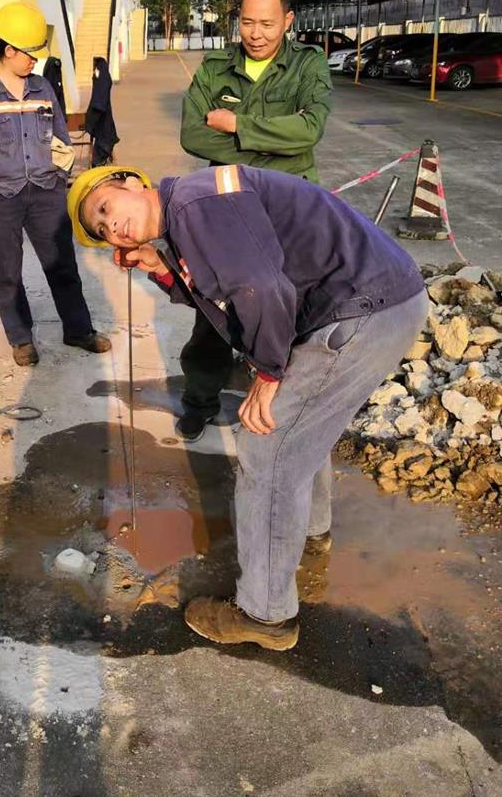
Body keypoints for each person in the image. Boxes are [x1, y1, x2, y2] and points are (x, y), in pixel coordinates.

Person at [68, 164, 427, 651]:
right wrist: (161, 268)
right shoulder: (186, 214)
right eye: (103, 229)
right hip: (382, 299)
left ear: (132, 182)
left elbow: (260, 288)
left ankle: (266, 615)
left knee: (266, 447)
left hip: (361, 310)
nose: (114, 228)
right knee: (302, 428)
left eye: (107, 208)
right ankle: (312, 535)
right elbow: (221, 290)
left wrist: (268, 373)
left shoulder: (195, 202)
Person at [178, 0, 333, 444]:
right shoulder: (215, 68)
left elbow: (310, 130)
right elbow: (193, 135)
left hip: (292, 210)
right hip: (226, 208)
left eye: (267, 23)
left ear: (287, 20)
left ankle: (280, 404)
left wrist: (238, 126)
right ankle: (199, 400)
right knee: (214, 307)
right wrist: (272, 147)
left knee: (294, 306)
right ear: (237, 20)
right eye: (247, 22)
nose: (257, 34)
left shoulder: (309, 65)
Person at [0, 2, 110, 367]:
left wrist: (60, 177)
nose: (35, 61)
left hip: (46, 192)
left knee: (63, 266)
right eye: (29, 54)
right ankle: (21, 338)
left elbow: (59, 134)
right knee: (7, 273)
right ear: (8, 49)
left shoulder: (42, 87)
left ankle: (78, 330)